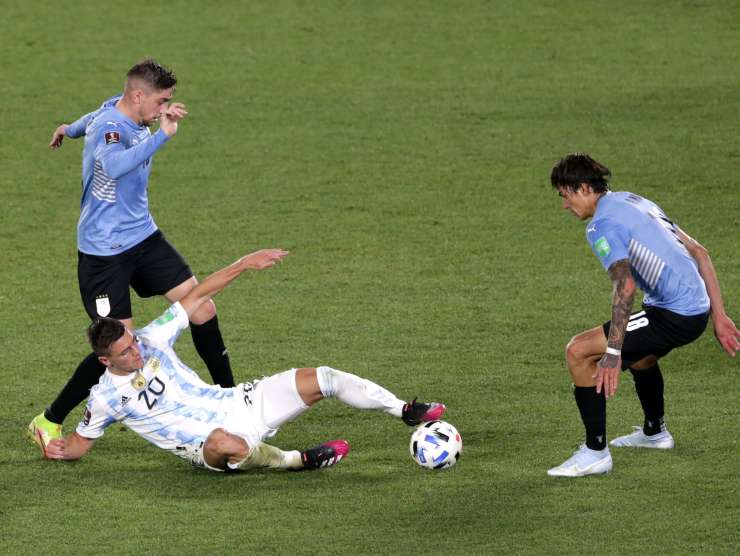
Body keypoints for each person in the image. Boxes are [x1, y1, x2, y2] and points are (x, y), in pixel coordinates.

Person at [40, 248, 446, 472]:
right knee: (225, 443)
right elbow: (79, 444)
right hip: (207, 446)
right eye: (127, 351)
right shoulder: (104, 399)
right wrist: (59, 450)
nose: (138, 349)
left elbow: (196, 297)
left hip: (239, 402)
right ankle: (297, 461)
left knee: (322, 377)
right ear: (104, 360)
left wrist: (243, 263)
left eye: (133, 340)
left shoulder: (151, 337)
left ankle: (404, 410)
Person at [29, 59, 236, 447]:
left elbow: (87, 119)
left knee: (203, 307)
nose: (164, 109)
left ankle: (232, 399)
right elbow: (115, 165)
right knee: (120, 343)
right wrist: (164, 134)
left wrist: (65, 129)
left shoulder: (116, 110)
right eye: (161, 101)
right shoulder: (112, 129)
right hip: (103, 254)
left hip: (143, 238)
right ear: (138, 96)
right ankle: (49, 419)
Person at [546, 153, 739, 478]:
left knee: (578, 351)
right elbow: (700, 253)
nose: (565, 205)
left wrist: (612, 351)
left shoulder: (601, 225)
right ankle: (655, 432)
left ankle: (595, 453)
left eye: (565, 196)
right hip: (695, 307)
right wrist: (719, 316)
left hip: (674, 314)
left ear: (581, 188)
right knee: (642, 356)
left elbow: (625, 287)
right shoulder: (634, 201)